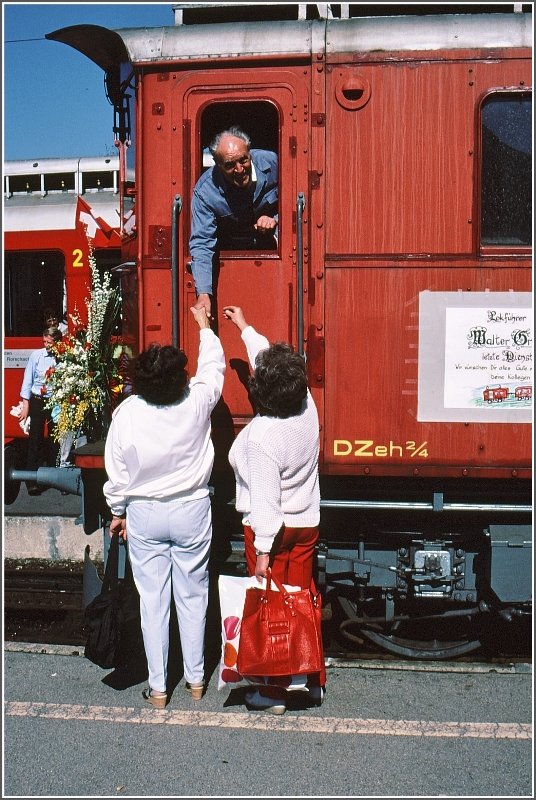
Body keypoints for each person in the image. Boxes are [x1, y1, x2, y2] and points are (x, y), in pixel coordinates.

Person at [103, 306, 225, 709]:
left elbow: (117, 471)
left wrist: (117, 510)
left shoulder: (127, 414)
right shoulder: (196, 402)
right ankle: (195, 681)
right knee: (193, 595)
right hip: (191, 508)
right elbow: (214, 369)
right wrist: (205, 327)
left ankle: (158, 689)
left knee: (152, 600)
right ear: (179, 378)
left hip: (144, 513)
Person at [223, 305, 325, 715]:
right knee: (301, 601)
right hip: (307, 522)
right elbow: (274, 367)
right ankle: (310, 676)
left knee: (272, 608)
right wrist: (246, 327)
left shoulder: (262, 438)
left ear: (261, 393)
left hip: (274, 533)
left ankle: (274, 691)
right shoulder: (307, 407)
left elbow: (266, 504)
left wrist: (262, 551)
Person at [189, 126, 278, 318]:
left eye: (243, 160)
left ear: (249, 152)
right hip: (236, 259)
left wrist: (276, 220)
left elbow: (299, 200)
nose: (239, 169)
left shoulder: (273, 163)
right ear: (216, 163)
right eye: (230, 165)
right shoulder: (205, 192)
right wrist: (204, 293)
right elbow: (202, 243)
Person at [19, 326, 63, 495]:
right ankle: (31, 480)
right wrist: (25, 405)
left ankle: (53, 477)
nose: (46, 345)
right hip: (37, 400)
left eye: (49, 342)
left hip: (55, 402)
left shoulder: (63, 357)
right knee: (35, 439)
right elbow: (27, 381)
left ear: (57, 342)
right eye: (44, 342)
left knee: (54, 439)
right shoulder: (36, 356)